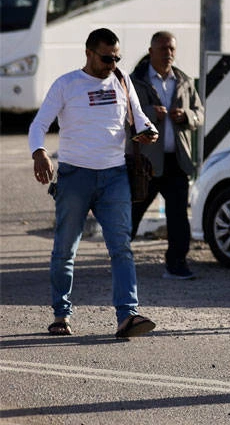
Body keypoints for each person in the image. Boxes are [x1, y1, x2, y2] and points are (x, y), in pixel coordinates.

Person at [29, 27, 161, 339]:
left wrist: (148, 131)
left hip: (115, 176)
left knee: (122, 249)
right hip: (75, 176)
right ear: (89, 53)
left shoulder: (122, 79)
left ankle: (127, 316)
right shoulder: (67, 84)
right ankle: (61, 315)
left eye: (117, 57)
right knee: (65, 249)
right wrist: (40, 153)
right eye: (106, 58)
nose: (112, 63)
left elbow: (139, 118)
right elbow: (39, 124)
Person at [129, 31, 205, 279]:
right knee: (132, 213)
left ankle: (176, 263)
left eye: (171, 48)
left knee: (178, 217)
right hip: (146, 162)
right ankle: (119, 257)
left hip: (177, 160)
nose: (168, 53)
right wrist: (151, 113)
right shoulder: (135, 81)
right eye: (163, 49)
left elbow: (199, 113)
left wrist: (187, 116)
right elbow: (124, 115)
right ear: (151, 51)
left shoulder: (183, 80)